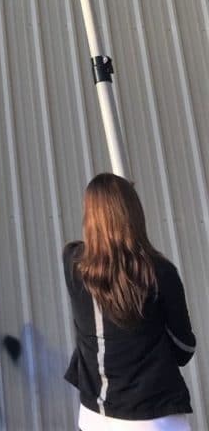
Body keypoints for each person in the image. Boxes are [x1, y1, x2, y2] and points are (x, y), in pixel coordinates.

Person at [63, 173, 196, 431]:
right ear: (134, 214)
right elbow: (184, 348)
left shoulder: (73, 263)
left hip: (95, 418)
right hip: (156, 418)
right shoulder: (161, 272)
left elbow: (91, 251)